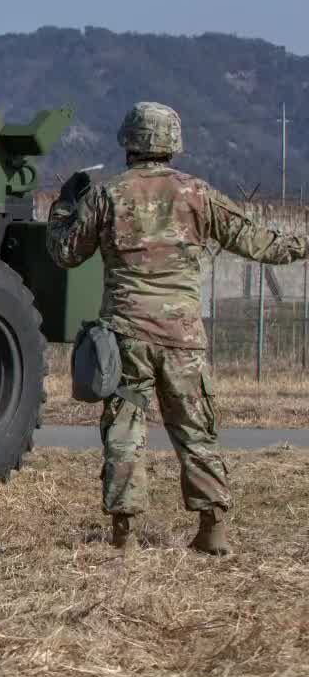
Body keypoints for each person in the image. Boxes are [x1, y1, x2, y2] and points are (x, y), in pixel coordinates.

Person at [48, 101, 309, 555]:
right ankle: (212, 530)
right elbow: (262, 244)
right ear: (173, 142)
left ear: (128, 141)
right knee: (194, 430)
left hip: (126, 335)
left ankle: (123, 534)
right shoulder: (198, 195)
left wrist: (64, 206)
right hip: (183, 338)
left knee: (125, 429)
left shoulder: (108, 195)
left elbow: (65, 253)